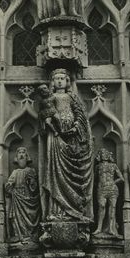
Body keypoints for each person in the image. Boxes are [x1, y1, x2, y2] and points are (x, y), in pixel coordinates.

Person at [38, 68, 93, 222]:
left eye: (63, 78)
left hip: (73, 137)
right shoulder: (50, 97)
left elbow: (80, 113)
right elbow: (44, 115)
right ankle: (57, 211)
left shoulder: (71, 97)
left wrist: (76, 125)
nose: (60, 81)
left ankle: (75, 210)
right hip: (55, 138)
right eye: (57, 79)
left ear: (67, 81)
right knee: (56, 171)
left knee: (71, 171)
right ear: (52, 82)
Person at [5, 147, 41, 243]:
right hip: (17, 198)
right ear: (16, 158)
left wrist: (32, 181)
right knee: (16, 217)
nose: (21, 155)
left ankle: (30, 235)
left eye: (23, 153)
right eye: (19, 153)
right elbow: (8, 185)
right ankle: (18, 235)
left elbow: (35, 188)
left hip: (28, 198)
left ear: (27, 157)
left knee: (30, 215)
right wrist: (9, 186)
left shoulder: (31, 170)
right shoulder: (15, 172)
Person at [93, 149, 124, 238]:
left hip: (112, 188)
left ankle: (111, 228)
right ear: (100, 156)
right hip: (102, 188)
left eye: (106, 153)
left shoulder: (113, 166)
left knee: (112, 207)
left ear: (109, 155)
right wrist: (99, 184)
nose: (104, 155)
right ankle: (99, 228)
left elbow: (121, 178)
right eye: (102, 154)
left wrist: (113, 182)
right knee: (101, 207)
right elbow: (95, 179)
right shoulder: (98, 166)